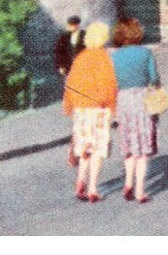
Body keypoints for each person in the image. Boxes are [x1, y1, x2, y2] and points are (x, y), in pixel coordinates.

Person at [62, 20, 117, 203]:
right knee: (97, 150)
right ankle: (93, 188)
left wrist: (69, 105)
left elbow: (70, 84)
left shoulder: (80, 58)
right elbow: (109, 86)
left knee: (84, 147)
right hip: (98, 110)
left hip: (81, 110)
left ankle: (80, 182)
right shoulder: (104, 58)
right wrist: (112, 108)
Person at [111, 16, 159, 203]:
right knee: (143, 148)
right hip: (142, 100)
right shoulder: (145, 53)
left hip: (123, 101)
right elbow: (153, 78)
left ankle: (128, 183)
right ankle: (140, 191)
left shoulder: (115, 56)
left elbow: (113, 82)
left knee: (129, 145)